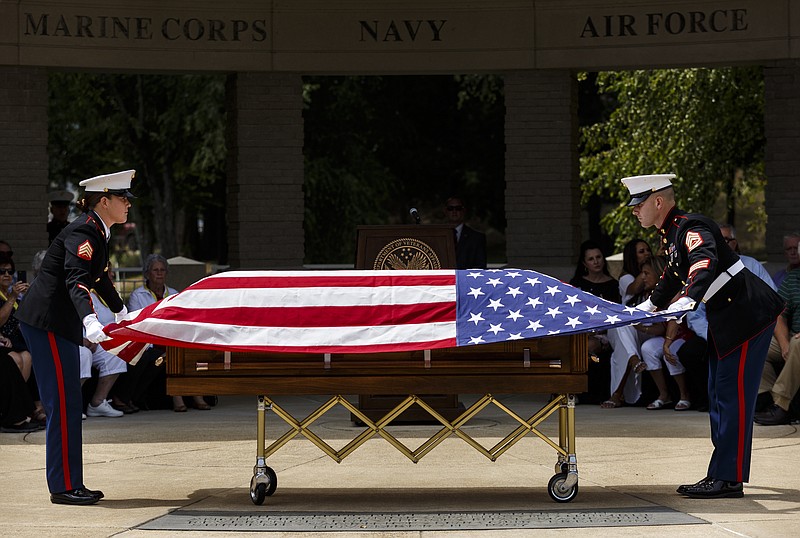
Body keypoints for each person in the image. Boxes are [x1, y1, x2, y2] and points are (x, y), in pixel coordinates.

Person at [622, 173, 783, 499]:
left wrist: (687, 298)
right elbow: (671, 274)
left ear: (657, 201)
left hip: (748, 316)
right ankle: (721, 473)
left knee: (731, 399)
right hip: (728, 319)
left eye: (638, 204)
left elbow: (703, 263)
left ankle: (728, 478)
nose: (634, 211)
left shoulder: (691, 227)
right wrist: (649, 306)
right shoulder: (670, 235)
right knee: (718, 393)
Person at [16, 169, 135, 506]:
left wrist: (122, 311)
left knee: (69, 404)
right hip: (47, 323)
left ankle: (70, 482)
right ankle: (64, 486)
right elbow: (76, 280)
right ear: (104, 200)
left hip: (57, 324)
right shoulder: (83, 231)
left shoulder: (99, 232)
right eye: (122, 197)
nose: (127, 203)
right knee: (64, 406)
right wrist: (91, 320)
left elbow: (98, 278)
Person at [127, 254, 210, 412]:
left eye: (162, 270)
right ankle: (178, 397)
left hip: (171, 338)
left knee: (187, 351)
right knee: (172, 353)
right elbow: (137, 323)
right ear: (147, 273)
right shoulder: (137, 295)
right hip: (149, 341)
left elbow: (181, 319)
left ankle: (196, 395)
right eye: (155, 270)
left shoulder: (173, 293)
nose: (159, 273)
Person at [601, 256, 664, 409]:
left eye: (646, 273)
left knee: (623, 342)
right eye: (642, 273)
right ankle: (633, 358)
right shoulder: (637, 294)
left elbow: (663, 328)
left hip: (649, 334)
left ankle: (617, 393)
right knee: (622, 322)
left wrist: (642, 328)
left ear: (658, 274)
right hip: (627, 334)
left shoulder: (664, 295)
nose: (642, 277)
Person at [569, 240, 619, 404]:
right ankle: (568, 390)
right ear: (584, 263)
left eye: (598, 257)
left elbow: (614, 314)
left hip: (604, 334)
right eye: (591, 259)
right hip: (580, 332)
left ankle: (575, 391)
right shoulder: (577, 284)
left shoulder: (612, 285)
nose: (596, 261)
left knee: (587, 346)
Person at [754, 268, 800, 425]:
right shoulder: (793, 278)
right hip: (793, 335)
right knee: (758, 347)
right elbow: (779, 313)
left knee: (797, 344)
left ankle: (782, 406)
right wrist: (783, 343)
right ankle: (767, 400)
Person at [80, 268, 127, 419]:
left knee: (115, 353)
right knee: (84, 355)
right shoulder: (85, 293)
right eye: (108, 272)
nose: (112, 275)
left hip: (99, 340)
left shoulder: (107, 295)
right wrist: (84, 338)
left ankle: (97, 403)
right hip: (79, 340)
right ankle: (70, 404)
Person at [444, 196, 487, 270]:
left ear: (463, 211)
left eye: (458, 208)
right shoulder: (438, 237)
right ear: (445, 211)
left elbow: (480, 266)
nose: (454, 211)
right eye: (450, 208)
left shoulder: (477, 238)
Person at [617, 238, 653, 305]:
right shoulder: (625, 277)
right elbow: (635, 289)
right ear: (632, 255)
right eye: (641, 251)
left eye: (648, 250)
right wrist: (653, 263)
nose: (647, 253)